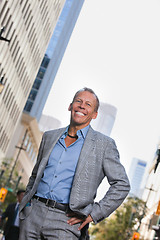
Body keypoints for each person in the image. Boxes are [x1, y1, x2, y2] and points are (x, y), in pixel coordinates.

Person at [19, 87, 130, 240]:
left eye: (88, 104)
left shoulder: (104, 145)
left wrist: (94, 213)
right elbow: (35, 174)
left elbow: (122, 184)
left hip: (67, 221)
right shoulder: (50, 137)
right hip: (32, 215)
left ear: (95, 114)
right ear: (70, 106)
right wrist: (27, 204)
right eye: (78, 101)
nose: (82, 106)